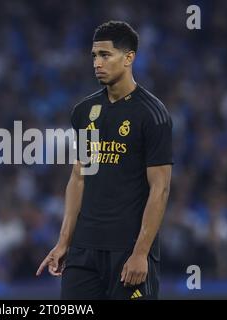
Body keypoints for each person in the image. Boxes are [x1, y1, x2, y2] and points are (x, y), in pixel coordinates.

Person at [36, 21, 173, 300]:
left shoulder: (152, 115)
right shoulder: (85, 112)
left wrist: (140, 253)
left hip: (127, 251)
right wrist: (64, 242)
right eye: (94, 56)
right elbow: (79, 177)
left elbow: (160, 189)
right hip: (83, 253)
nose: (97, 63)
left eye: (105, 55)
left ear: (129, 58)